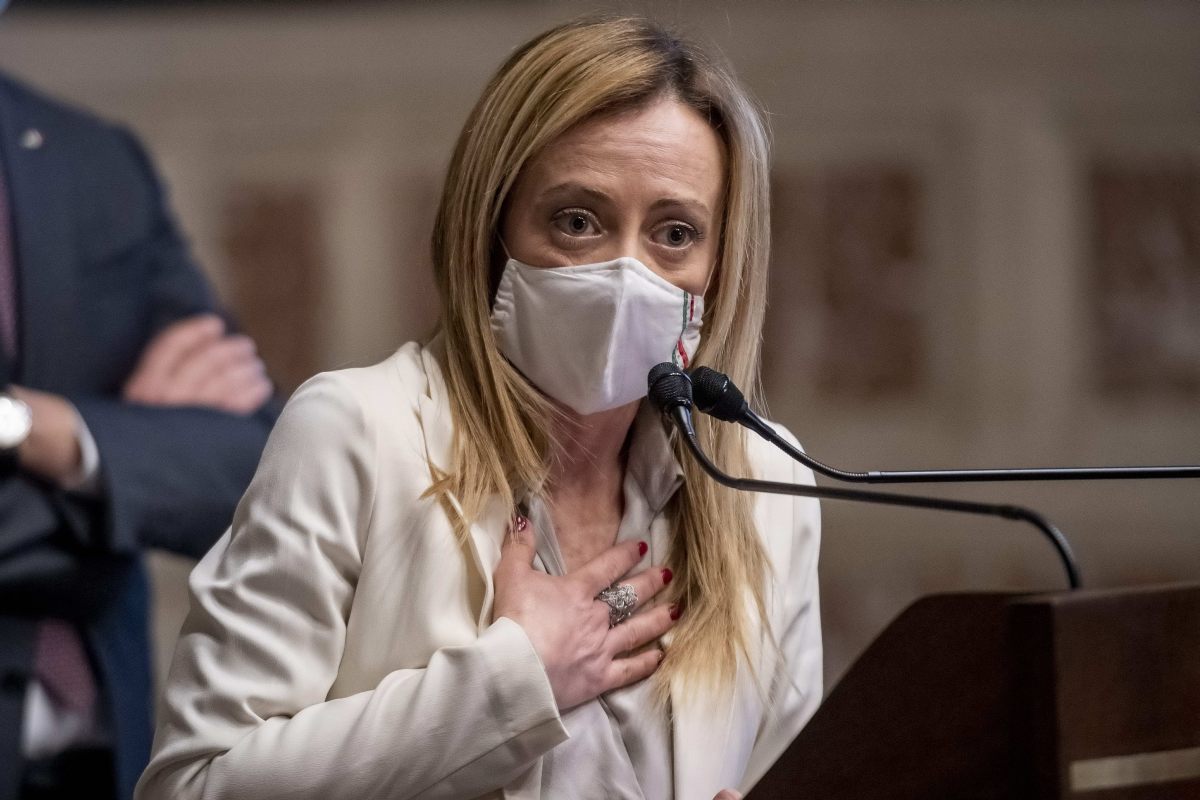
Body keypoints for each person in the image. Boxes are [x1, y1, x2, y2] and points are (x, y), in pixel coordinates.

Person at [136, 16, 822, 800]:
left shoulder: (765, 482)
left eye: (674, 233)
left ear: (723, 263)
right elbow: (194, 785)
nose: (624, 273)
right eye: (577, 221)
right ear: (491, 231)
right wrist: (512, 682)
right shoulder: (358, 433)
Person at [0, 42, 276, 800]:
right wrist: (128, 468)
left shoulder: (94, 160)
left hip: (104, 763)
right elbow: (183, 476)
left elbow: (260, 473)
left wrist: (49, 432)